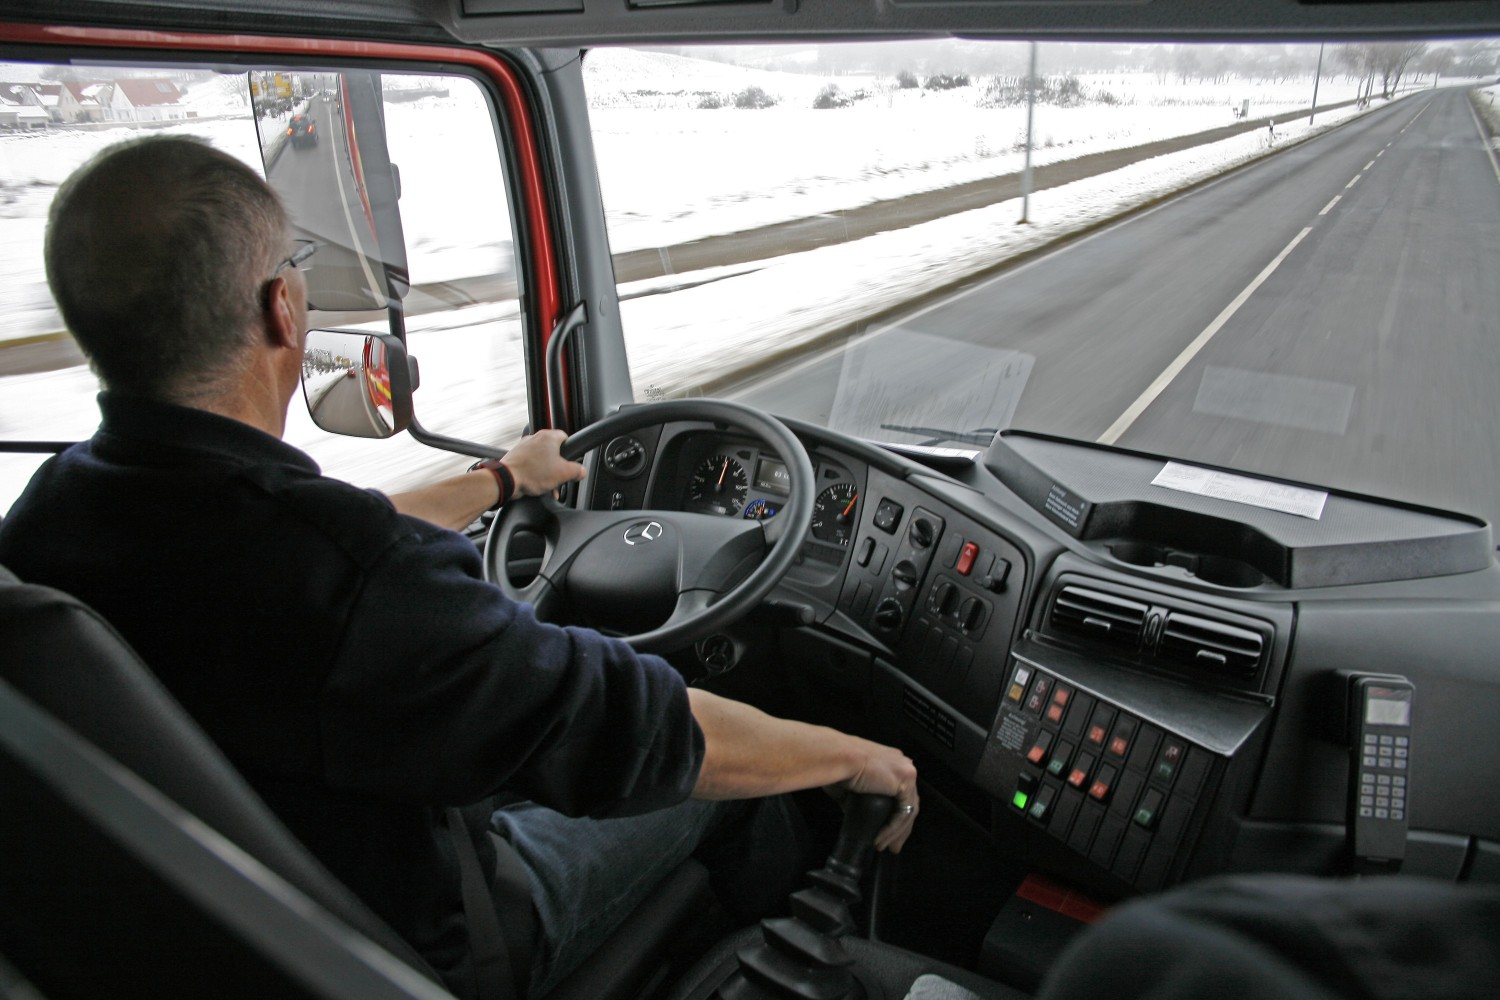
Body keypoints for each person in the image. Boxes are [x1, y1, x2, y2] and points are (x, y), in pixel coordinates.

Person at [0, 135, 919, 999]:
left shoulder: (58, 511)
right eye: (299, 267)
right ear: (282, 307)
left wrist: (500, 481)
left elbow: (321, 540)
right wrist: (853, 757)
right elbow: (647, 733)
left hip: (238, 916)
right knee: (741, 776)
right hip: (438, 938)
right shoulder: (354, 585)